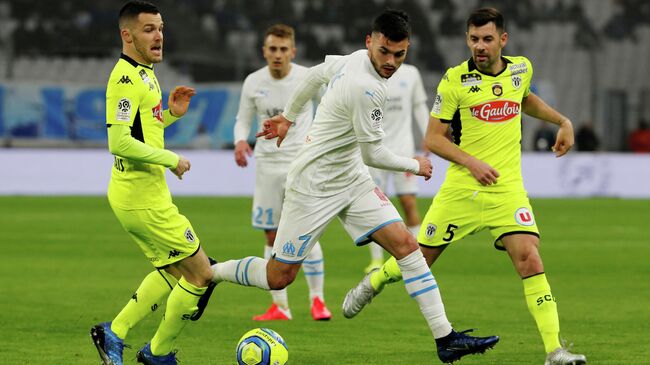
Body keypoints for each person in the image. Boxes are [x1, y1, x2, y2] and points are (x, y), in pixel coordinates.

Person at [212, 10, 499, 364]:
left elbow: (315, 75)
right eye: (385, 52)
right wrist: (416, 164)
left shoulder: (352, 60)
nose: (391, 62)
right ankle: (212, 272)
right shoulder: (366, 88)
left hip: (351, 179)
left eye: (400, 54)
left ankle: (445, 337)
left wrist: (288, 116)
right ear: (370, 42)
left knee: (408, 246)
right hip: (313, 185)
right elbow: (373, 152)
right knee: (279, 276)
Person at [343, 8, 587, 365]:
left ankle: (554, 351)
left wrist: (562, 120)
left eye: (487, 39)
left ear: (503, 39)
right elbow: (433, 138)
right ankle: (376, 281)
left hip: (507, 190)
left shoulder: (521, 68)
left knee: (530, 259)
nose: (479, 46)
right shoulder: (455, 80)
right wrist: (472, 162)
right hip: (462, 189)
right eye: (473, 39)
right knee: (418, 259)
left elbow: (523, 98)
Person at [89, 2, 213, 364]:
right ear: (127, 35)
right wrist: (172, 159)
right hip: (141, 197)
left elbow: (146, 134)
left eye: (160, 28)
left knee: (174, 270)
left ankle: (116, 331)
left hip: (144, 193)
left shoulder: (146, 72)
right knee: (201, 274)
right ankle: (156, 353)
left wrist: (170, 115)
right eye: (148, 29)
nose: (158, 35)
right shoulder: (124, 78)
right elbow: (120, 142)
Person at [233, 24, 331, 321]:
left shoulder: (307, 77)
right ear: (264, 51)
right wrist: (240, 140)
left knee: (306, 233)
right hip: (267, 167)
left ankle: (318, 300)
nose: (277, 55)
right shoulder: (253, 82)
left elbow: (329, 111)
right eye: (272, 49)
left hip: (301, 166)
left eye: (283, 49)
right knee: (271, 235)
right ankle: (281, 306)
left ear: (293, 51)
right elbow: (243, 119)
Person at [364, 62, 429, 273]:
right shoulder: (370, 75)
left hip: (403, 150)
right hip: (376, 151)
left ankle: (420, 257)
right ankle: (376, 260)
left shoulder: (411, 74)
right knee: (375, 206)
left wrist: (428, 134)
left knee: (408, 203)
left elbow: (419, 106)